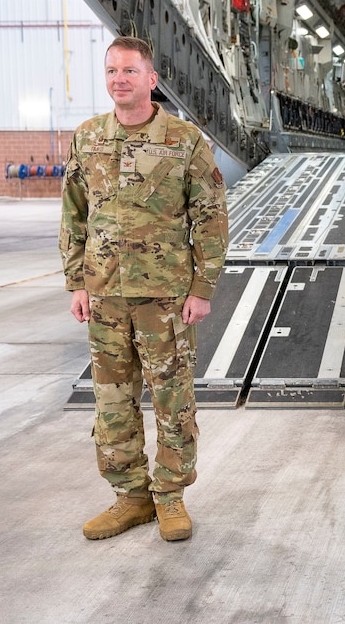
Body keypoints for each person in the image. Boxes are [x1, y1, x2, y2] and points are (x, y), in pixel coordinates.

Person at [60, 36, 229, 542]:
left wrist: (202, 288)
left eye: (130, 71)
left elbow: (211, 218)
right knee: (112, 401)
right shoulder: (87, 137)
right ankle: (130, 498)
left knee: (172, 400)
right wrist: (76, 281)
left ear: (151, 79)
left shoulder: (184, 140)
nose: (119, 79)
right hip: (106, 296)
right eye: (112, 70)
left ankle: (171, 496)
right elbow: (73, 213)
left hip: (166, 300)